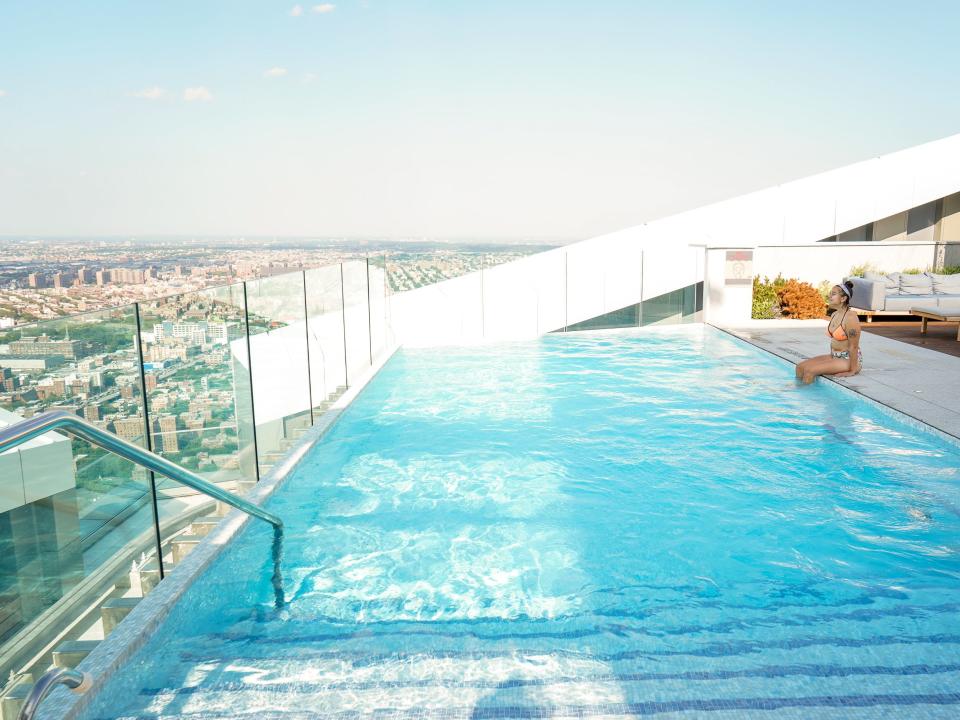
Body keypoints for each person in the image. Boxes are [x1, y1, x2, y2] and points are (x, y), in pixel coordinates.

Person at [795, 281, 862, 384]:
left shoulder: (851, 317)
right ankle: (799, 393)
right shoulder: (835, 314)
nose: (830, 296)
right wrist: (831, 358)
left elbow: (854, 346)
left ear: (843, 299)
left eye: (834, 294)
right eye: (830, 293)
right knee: (800, 367)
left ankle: (808, 396)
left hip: (849, 359)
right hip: (835, 356)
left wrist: (852, 370)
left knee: (810, 371)